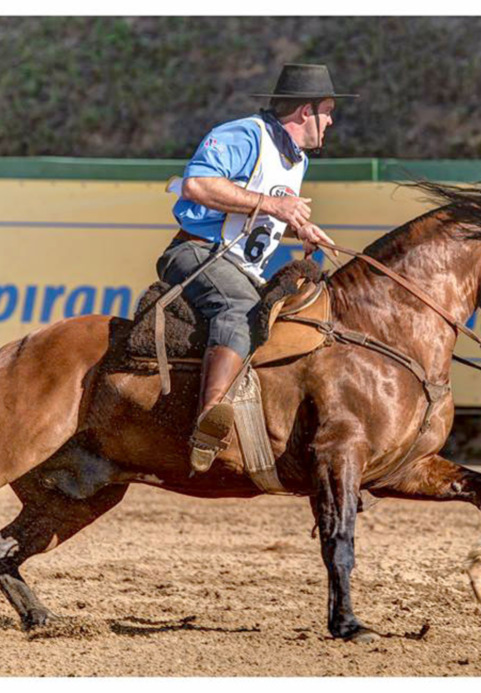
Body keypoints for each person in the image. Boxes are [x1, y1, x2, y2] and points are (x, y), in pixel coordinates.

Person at [157, 63, 357, 472]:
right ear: (306, 112)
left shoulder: (297, 161)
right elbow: (198, 184)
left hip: (239, 264)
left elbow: (257, 217)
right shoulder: (246, 134)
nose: (331, 120)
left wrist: (298, 227)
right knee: (242, 310)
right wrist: (276, 206)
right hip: (197, 252)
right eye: (328, 110)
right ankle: (208, 420)